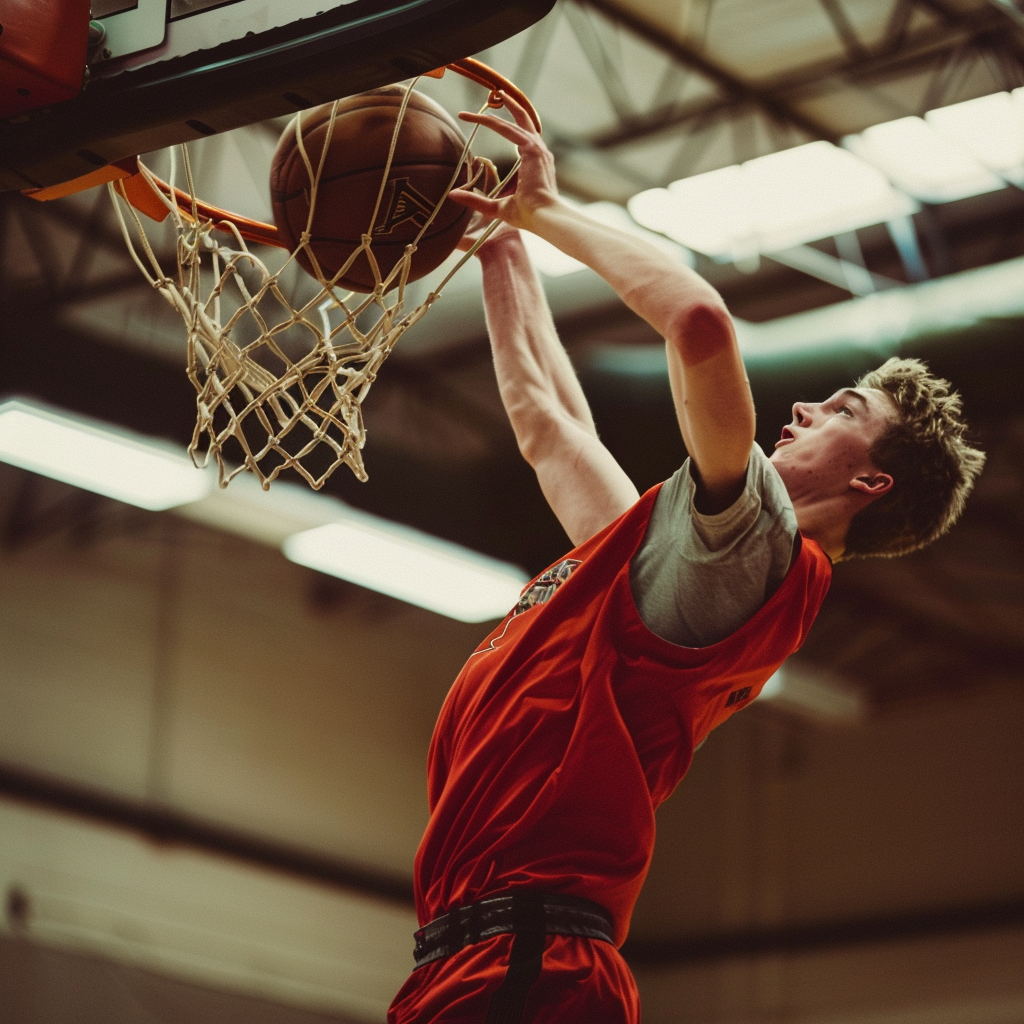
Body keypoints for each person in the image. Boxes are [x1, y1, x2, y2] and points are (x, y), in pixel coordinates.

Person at [387, 96, 986, 1024]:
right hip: (491, 957)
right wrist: (499, 244)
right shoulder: (671, 563)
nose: (805, 411)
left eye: (842, 411)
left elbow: (699, 321)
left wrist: (543, 210)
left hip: (526, 960)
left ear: (870, 486)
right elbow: (551, 427)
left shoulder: (758, 545)